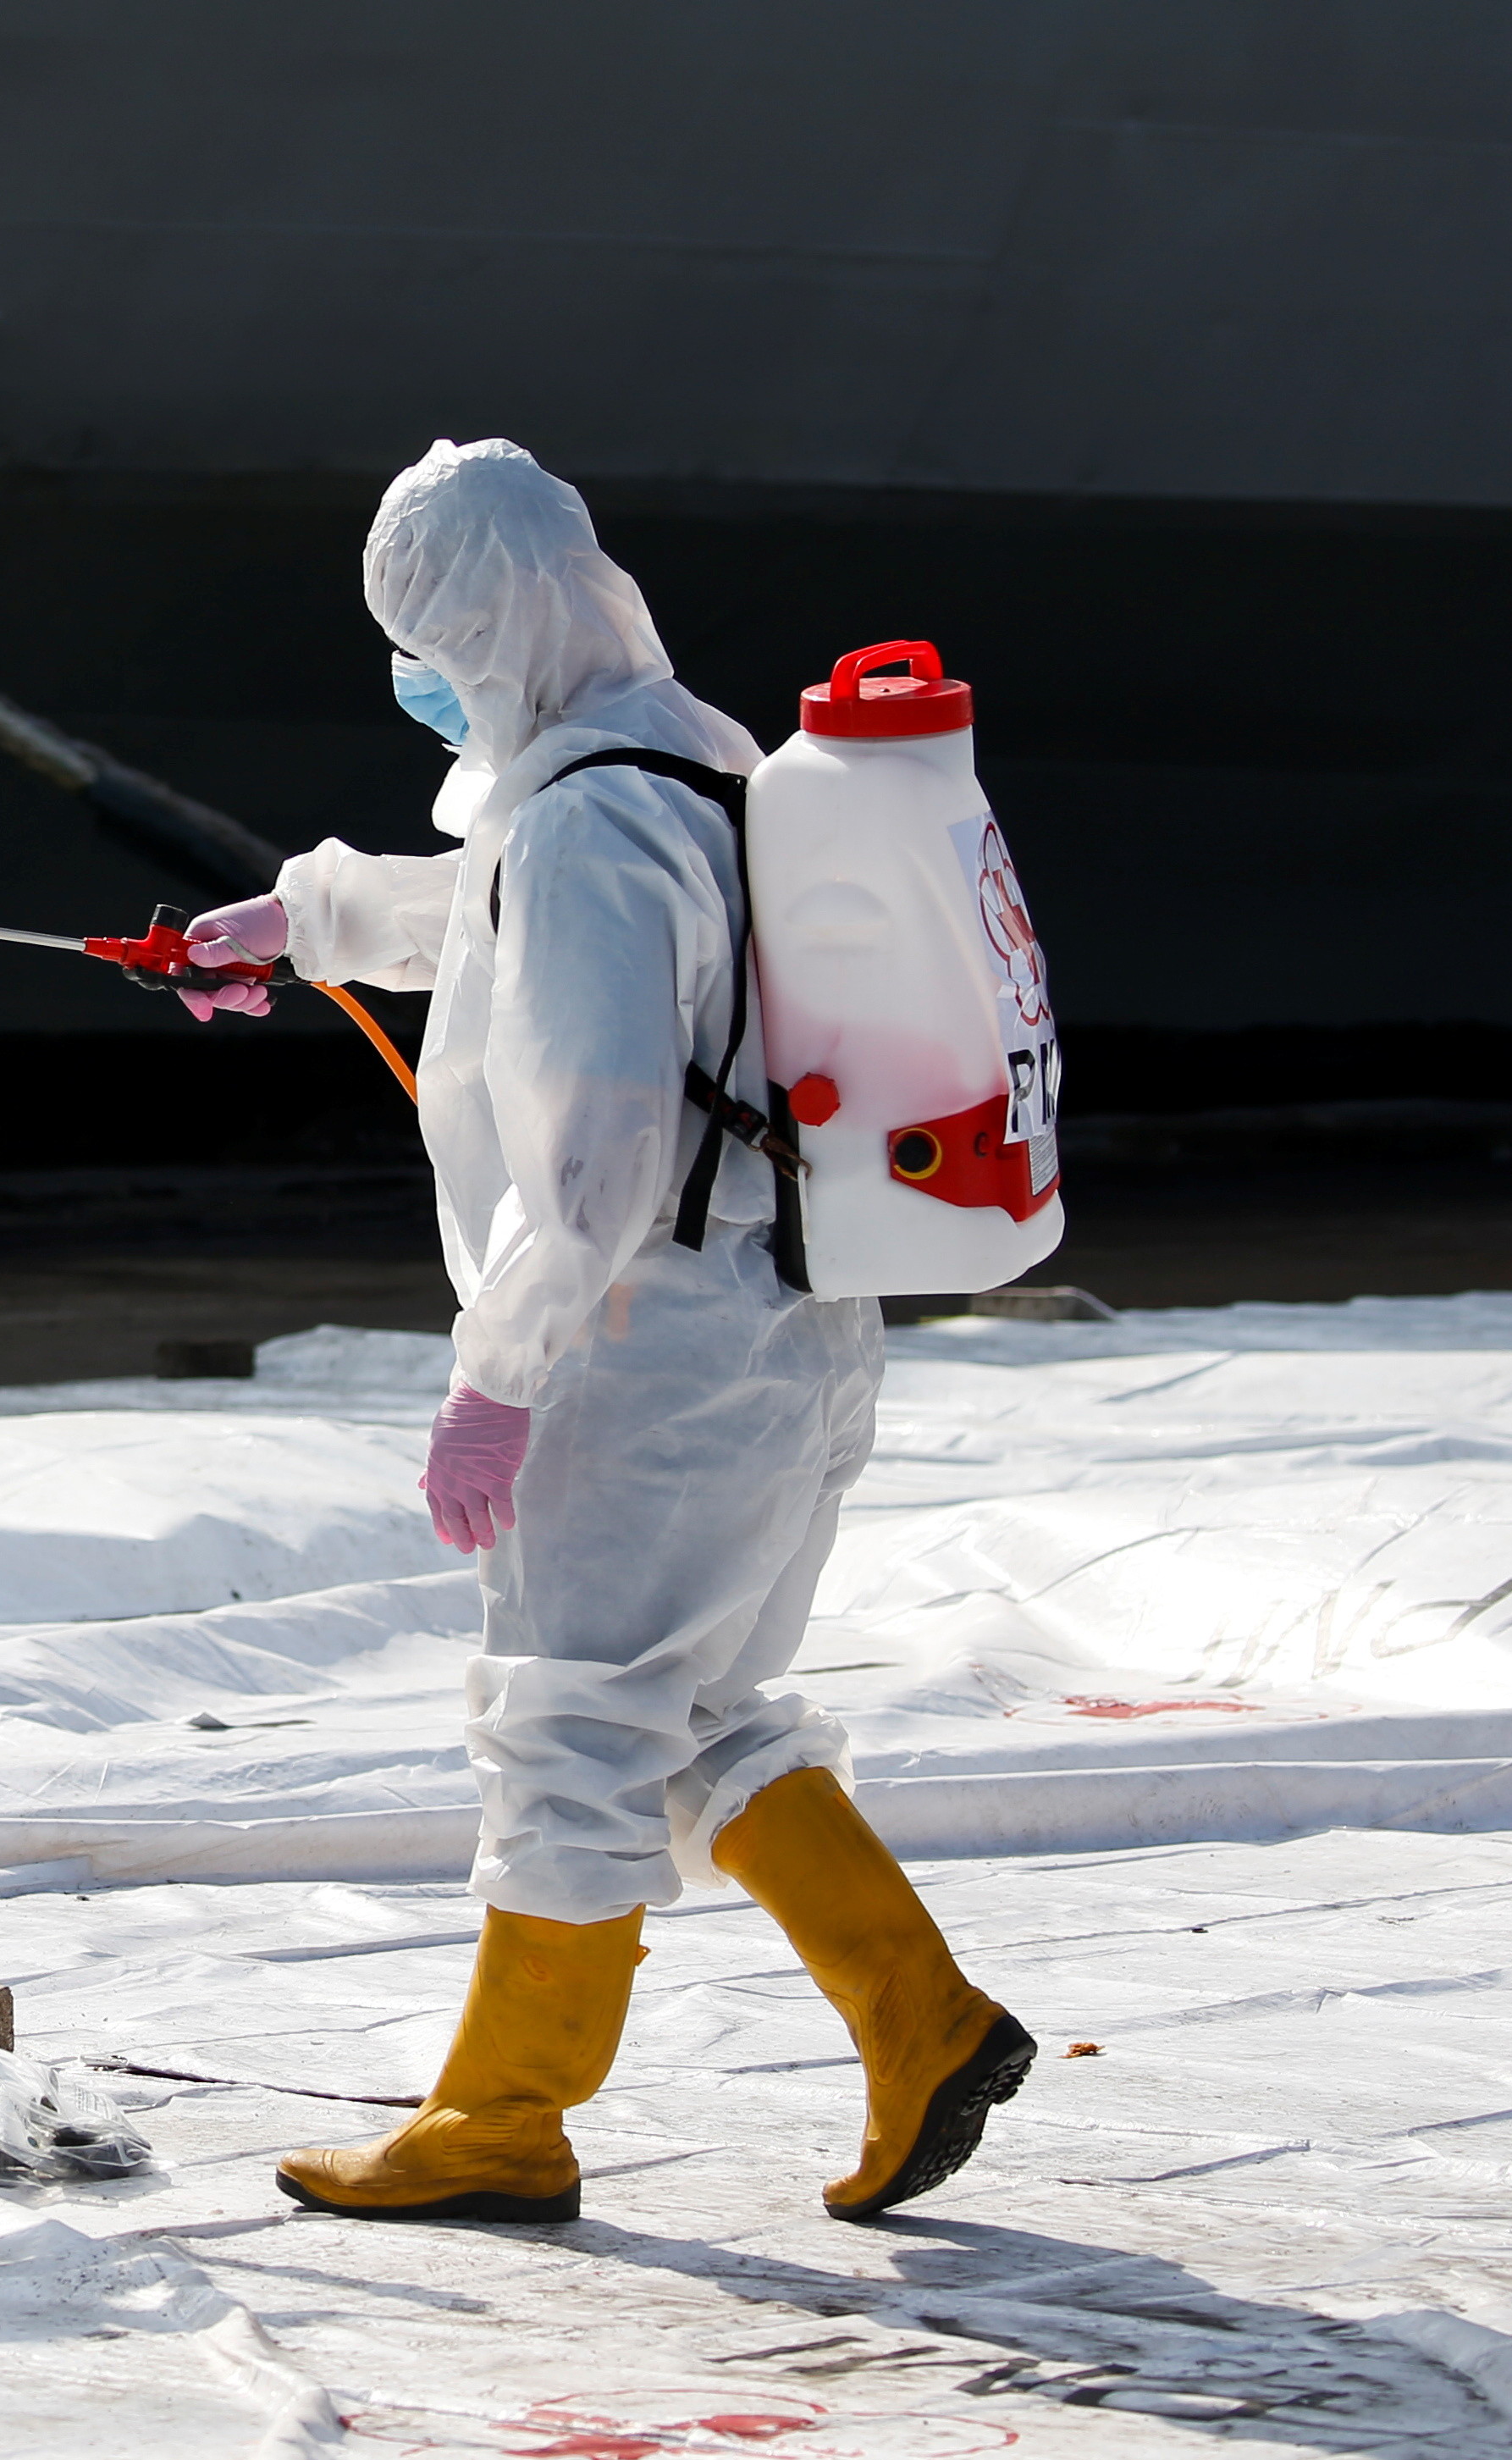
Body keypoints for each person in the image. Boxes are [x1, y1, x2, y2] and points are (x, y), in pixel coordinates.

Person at [182, 439, 1031, 2225]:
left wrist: (495, 1381)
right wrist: (307, 921)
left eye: (417, 636)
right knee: (697, 1703)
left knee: (565, 1723)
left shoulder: (579, 813)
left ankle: (503, 2116)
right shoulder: (686, 751)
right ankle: (918, 2012)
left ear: (480, 626)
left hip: (638, 1350)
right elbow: (511, 908)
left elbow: (594, 1155)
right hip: (783, 1328)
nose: (413, 675)